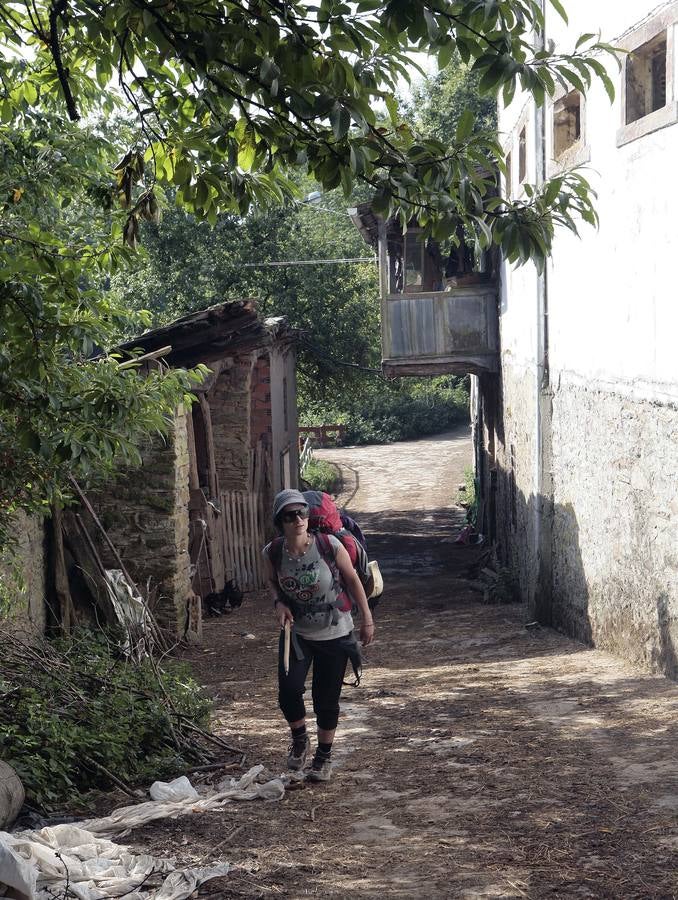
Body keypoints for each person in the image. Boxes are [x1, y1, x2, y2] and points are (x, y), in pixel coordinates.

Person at [262, 489, 375, 782]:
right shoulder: (273, 552)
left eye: (302, 512)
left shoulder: (329, 544)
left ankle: (323, 757)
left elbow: (352, 580)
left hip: (336, 631)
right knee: (288, 690)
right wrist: (279, 603)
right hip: (297, 632)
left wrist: (367, 619)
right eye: (290, 515)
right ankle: (300, 739)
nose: (298, 519)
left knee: (325, 699)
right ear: (280, 521)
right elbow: (273, 583)